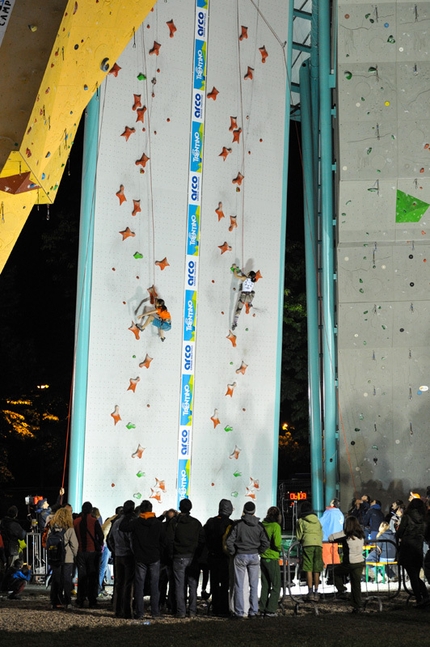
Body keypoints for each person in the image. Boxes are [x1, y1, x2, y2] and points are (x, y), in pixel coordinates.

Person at [120, 499, 164, 620]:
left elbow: (123, 527)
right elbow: (163, 541)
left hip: (140, 558)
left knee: (139, 586)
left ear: (141, 510)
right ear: (151, 509)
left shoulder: (136, 523)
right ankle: (155, 612)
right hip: (154, 558)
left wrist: (127, 514)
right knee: (155, 585)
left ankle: (139, 613)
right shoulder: (158, 524)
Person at [225, 501, 269, 618]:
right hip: (254, 555)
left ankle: (239, 611)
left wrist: (234, 551)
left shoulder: (238, 525)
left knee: (239, 585)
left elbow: (229, 541)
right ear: (254, 511)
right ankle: (253, 611)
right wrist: (259, 551)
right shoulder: (259, 525)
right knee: (254, 585)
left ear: (244, 511)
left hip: (240, 555)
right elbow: (266, 542)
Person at [166, 498, 204, 618]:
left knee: (179, 585)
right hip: (193, 557)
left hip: (178, 557)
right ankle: (192, 611)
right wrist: (198, 555)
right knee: (193, 585)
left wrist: (171, 554)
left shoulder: (174, 522)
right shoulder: (196, 523)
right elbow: (202, 540)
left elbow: (169, 540)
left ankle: (181, 611)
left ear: (180, 507)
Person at [396, 497, 429, 607]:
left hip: (407, 547)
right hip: (418, 547)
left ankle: (419, 598)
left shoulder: (407, 517)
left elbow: (400, 532)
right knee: (416, 573)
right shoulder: (424, 519)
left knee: (412, 575)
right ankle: (425, 596)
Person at [204, 499, 234, 617]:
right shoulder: (231, 523)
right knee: (226, 583)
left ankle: (216, 607)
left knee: (215, 582)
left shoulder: (210, 522)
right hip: (225, 558)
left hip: (213, 557)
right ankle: (225, 607)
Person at [328, 516, 365, 614]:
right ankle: (358, 606)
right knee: (356, 585)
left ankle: (342, 591)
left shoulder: (346, 534)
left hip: (350, 562)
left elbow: (331, 537)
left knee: (335, 572)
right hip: (360, 561)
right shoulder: (361, 534)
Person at [73, 501, 104, 608]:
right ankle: (92, 599)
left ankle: (80, 599)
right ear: (91, 510)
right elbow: (100, 535)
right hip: (92, 552)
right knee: (92, 576)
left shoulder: (76, 521)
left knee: (82, 576)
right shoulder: (94, 521)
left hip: (80, 551)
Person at [47, 506, 79, 609]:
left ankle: (54, 602)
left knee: (56, 580)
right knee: (66, 580)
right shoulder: (69, 528)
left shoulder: (52, 528)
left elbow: (48, 541)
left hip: (55, 557)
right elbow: (74, 545)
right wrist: (76, 556)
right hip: (67, 557)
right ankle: (67, 602)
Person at [108, 500, 135, 619]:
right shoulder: (130, 522)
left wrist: (115, 550)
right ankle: (127, 611)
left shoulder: (116, 523)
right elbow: (132, 541)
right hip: (128, 555)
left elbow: (110, 539)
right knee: (128, 584)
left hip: (118, 555)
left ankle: (117, 610)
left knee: (119, 583)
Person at [296, 501, 323, 601]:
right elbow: (321, 534)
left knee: (308, 568)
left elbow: (299, 536)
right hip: (318, 545)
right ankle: (316, 592)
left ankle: (310, 592)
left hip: (307, 544)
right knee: (316, 568)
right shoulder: (317, 520)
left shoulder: (301, 521)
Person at [259, 506, 282, 617]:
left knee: (265, 585)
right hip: (272, 557)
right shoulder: (275, 526)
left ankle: (262, 607)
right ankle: (271, 609)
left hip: (263, 557)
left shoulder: (263, 525)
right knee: (276, 585)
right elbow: (277, 543)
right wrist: (280, 549)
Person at [320, 498, 344, 577]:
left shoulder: (329, 512)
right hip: (336, 538)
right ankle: (338, 571)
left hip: (327, 538)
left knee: (326, 554)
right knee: (335, 554)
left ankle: (328, 573)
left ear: (333, 504)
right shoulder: (340, 514)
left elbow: (321, 522)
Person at [231, 265, 257, 331]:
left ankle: (235, 323)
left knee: (238, 310)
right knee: (253, 292)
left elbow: (236, 276)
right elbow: (245, 277)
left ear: (249, 274)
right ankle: (250, 303)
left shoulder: (245, 278)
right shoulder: (253, 282)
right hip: (249, 297)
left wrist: (234, 269)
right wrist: (239, 270)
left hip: (243, 296)